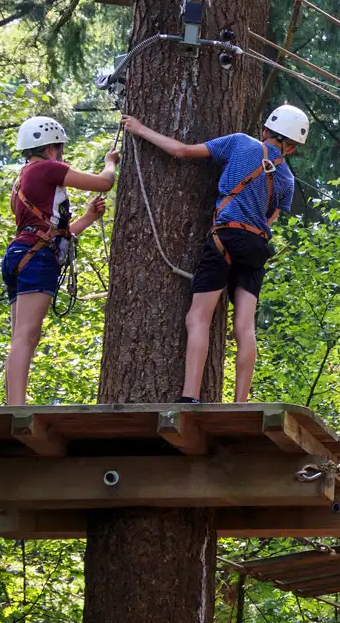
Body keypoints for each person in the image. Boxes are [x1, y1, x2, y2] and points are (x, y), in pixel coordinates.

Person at [121, 104, 306, 404]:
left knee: (198, 318)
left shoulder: (240, 143)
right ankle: (240, 404)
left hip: (226, 237)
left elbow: (181, 151)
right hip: (256, 247)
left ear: (266, 130)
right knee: (244, 327)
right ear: (293, 147)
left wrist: (140, 129)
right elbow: (269, 219)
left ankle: (190, 397)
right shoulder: (286, 179)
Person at [1, 115, 115, 403]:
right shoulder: (48, 169)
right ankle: (15, 407)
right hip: (36, 258)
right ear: (52, 148)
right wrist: (110, 161)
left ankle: (14, 403)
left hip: (20, 254)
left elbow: (55, 232)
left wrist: (88, 217)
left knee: (20, 337)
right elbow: (104, 183)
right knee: (26, 336)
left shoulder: (23, 179)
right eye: (60, 148)